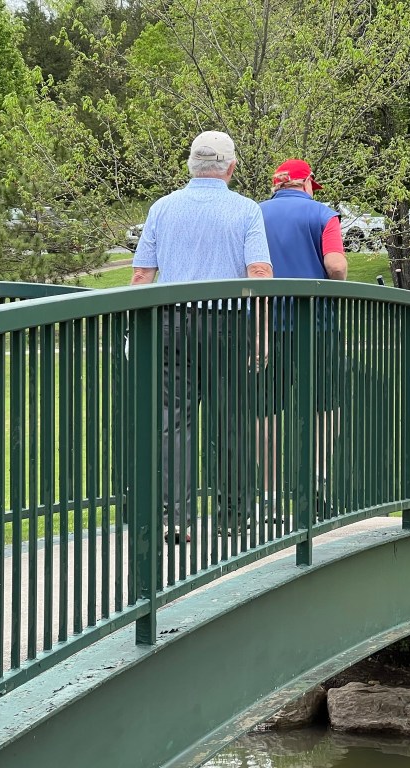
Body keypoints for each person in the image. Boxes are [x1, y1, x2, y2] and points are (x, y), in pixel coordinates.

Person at [132, 130, 273, 543]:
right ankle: (234, 519)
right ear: (231, 167)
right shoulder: (246, 210)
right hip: (227, 325)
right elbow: (259, 274)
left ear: (191, 165)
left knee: (172, 422)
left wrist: (134, 329)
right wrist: (261, 334)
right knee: (232, 422)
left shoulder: (162, 207)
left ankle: (176, 519)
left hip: (170, 323)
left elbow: (142, 276)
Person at [257, 159, 347, 523]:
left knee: (265, 410)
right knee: (325, 406)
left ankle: (269, 496)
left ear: (277, 184)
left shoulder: (255, 214)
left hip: (265, 327)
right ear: (307, 182)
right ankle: (317, 484)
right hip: (318, 325)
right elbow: (336, 265)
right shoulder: (323, 214)